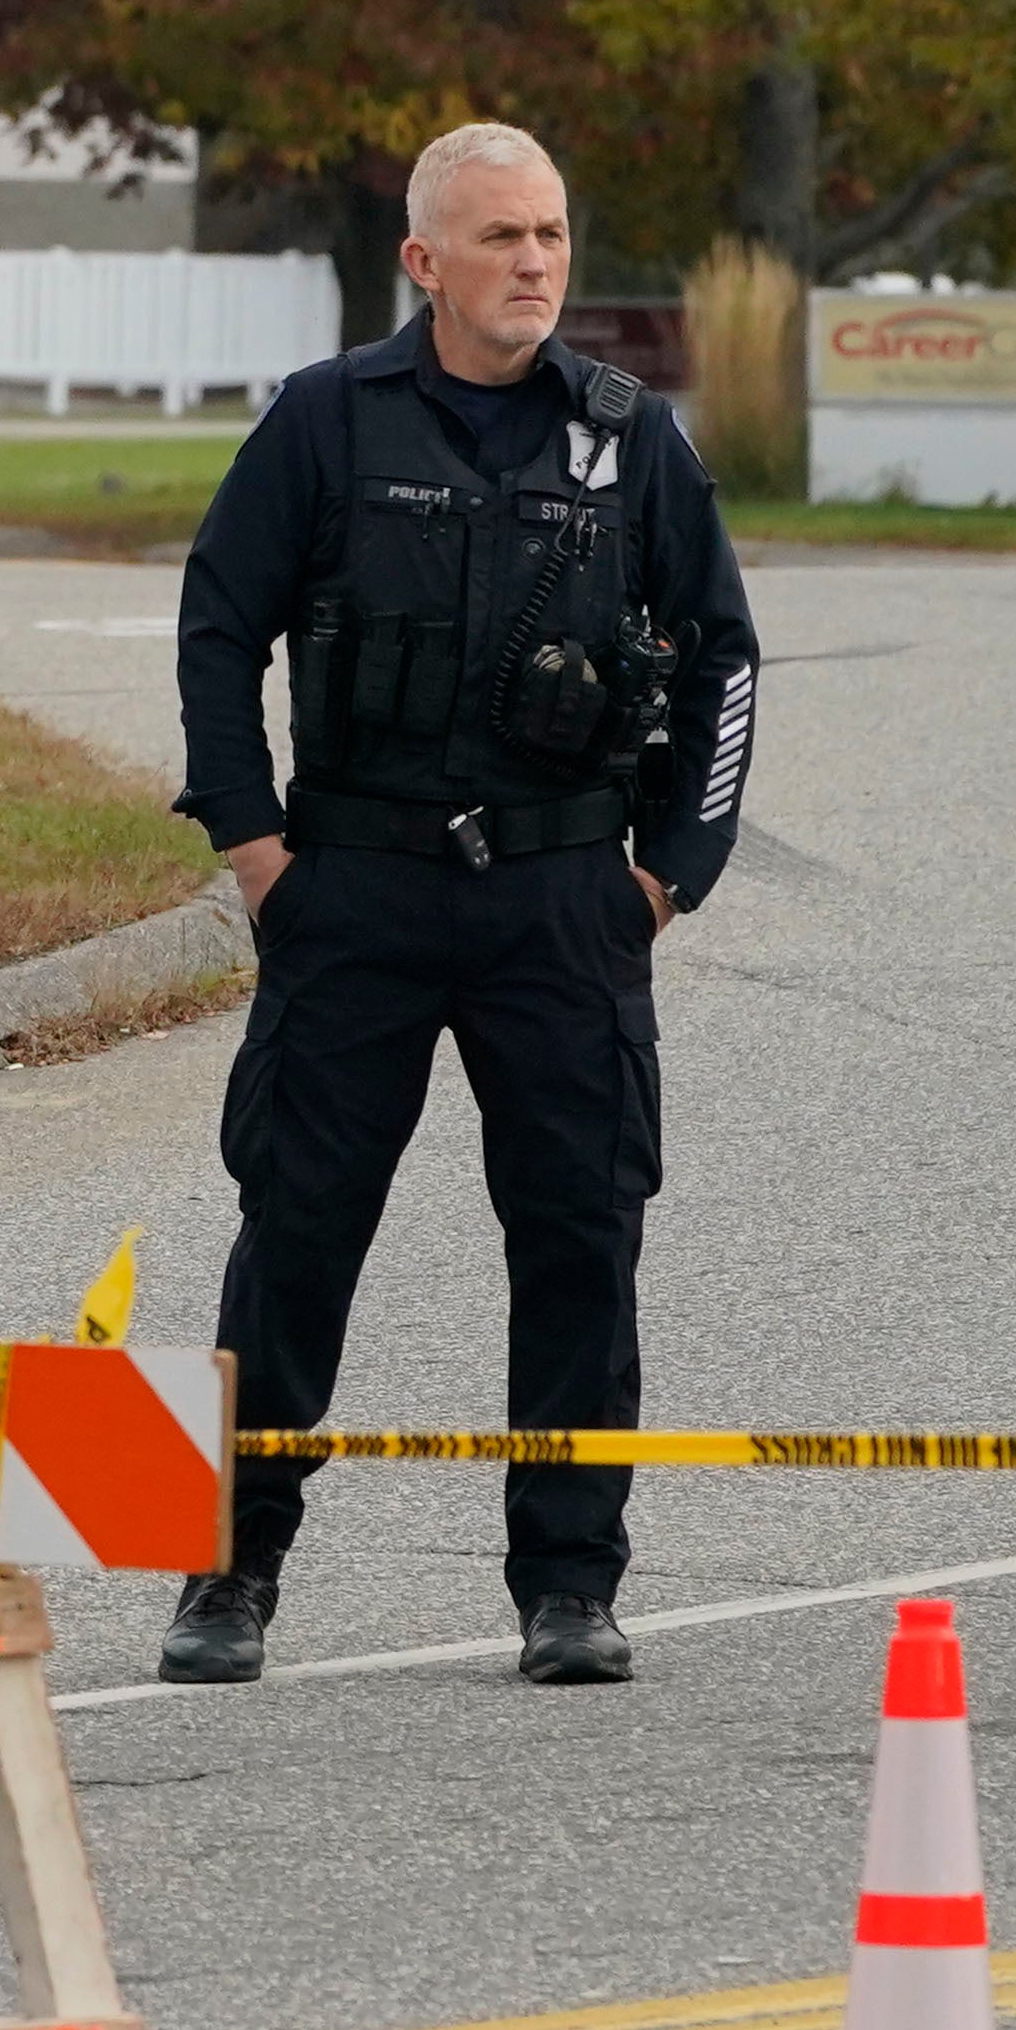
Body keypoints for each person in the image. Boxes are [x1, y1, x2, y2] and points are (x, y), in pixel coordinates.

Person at [159, 122, 759, 1689]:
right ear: (423, 262)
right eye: (501, 238)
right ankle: (230, 1571)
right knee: (296, 1231)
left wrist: (663, 880)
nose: (537, 265)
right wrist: (256, 849)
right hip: (352, 886)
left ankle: (571, 1583)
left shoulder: (633, 440)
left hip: (565, 900)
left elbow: (723, 661)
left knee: (579, 1236)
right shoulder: (325, 423)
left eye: (553, 234)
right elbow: (219, 628)